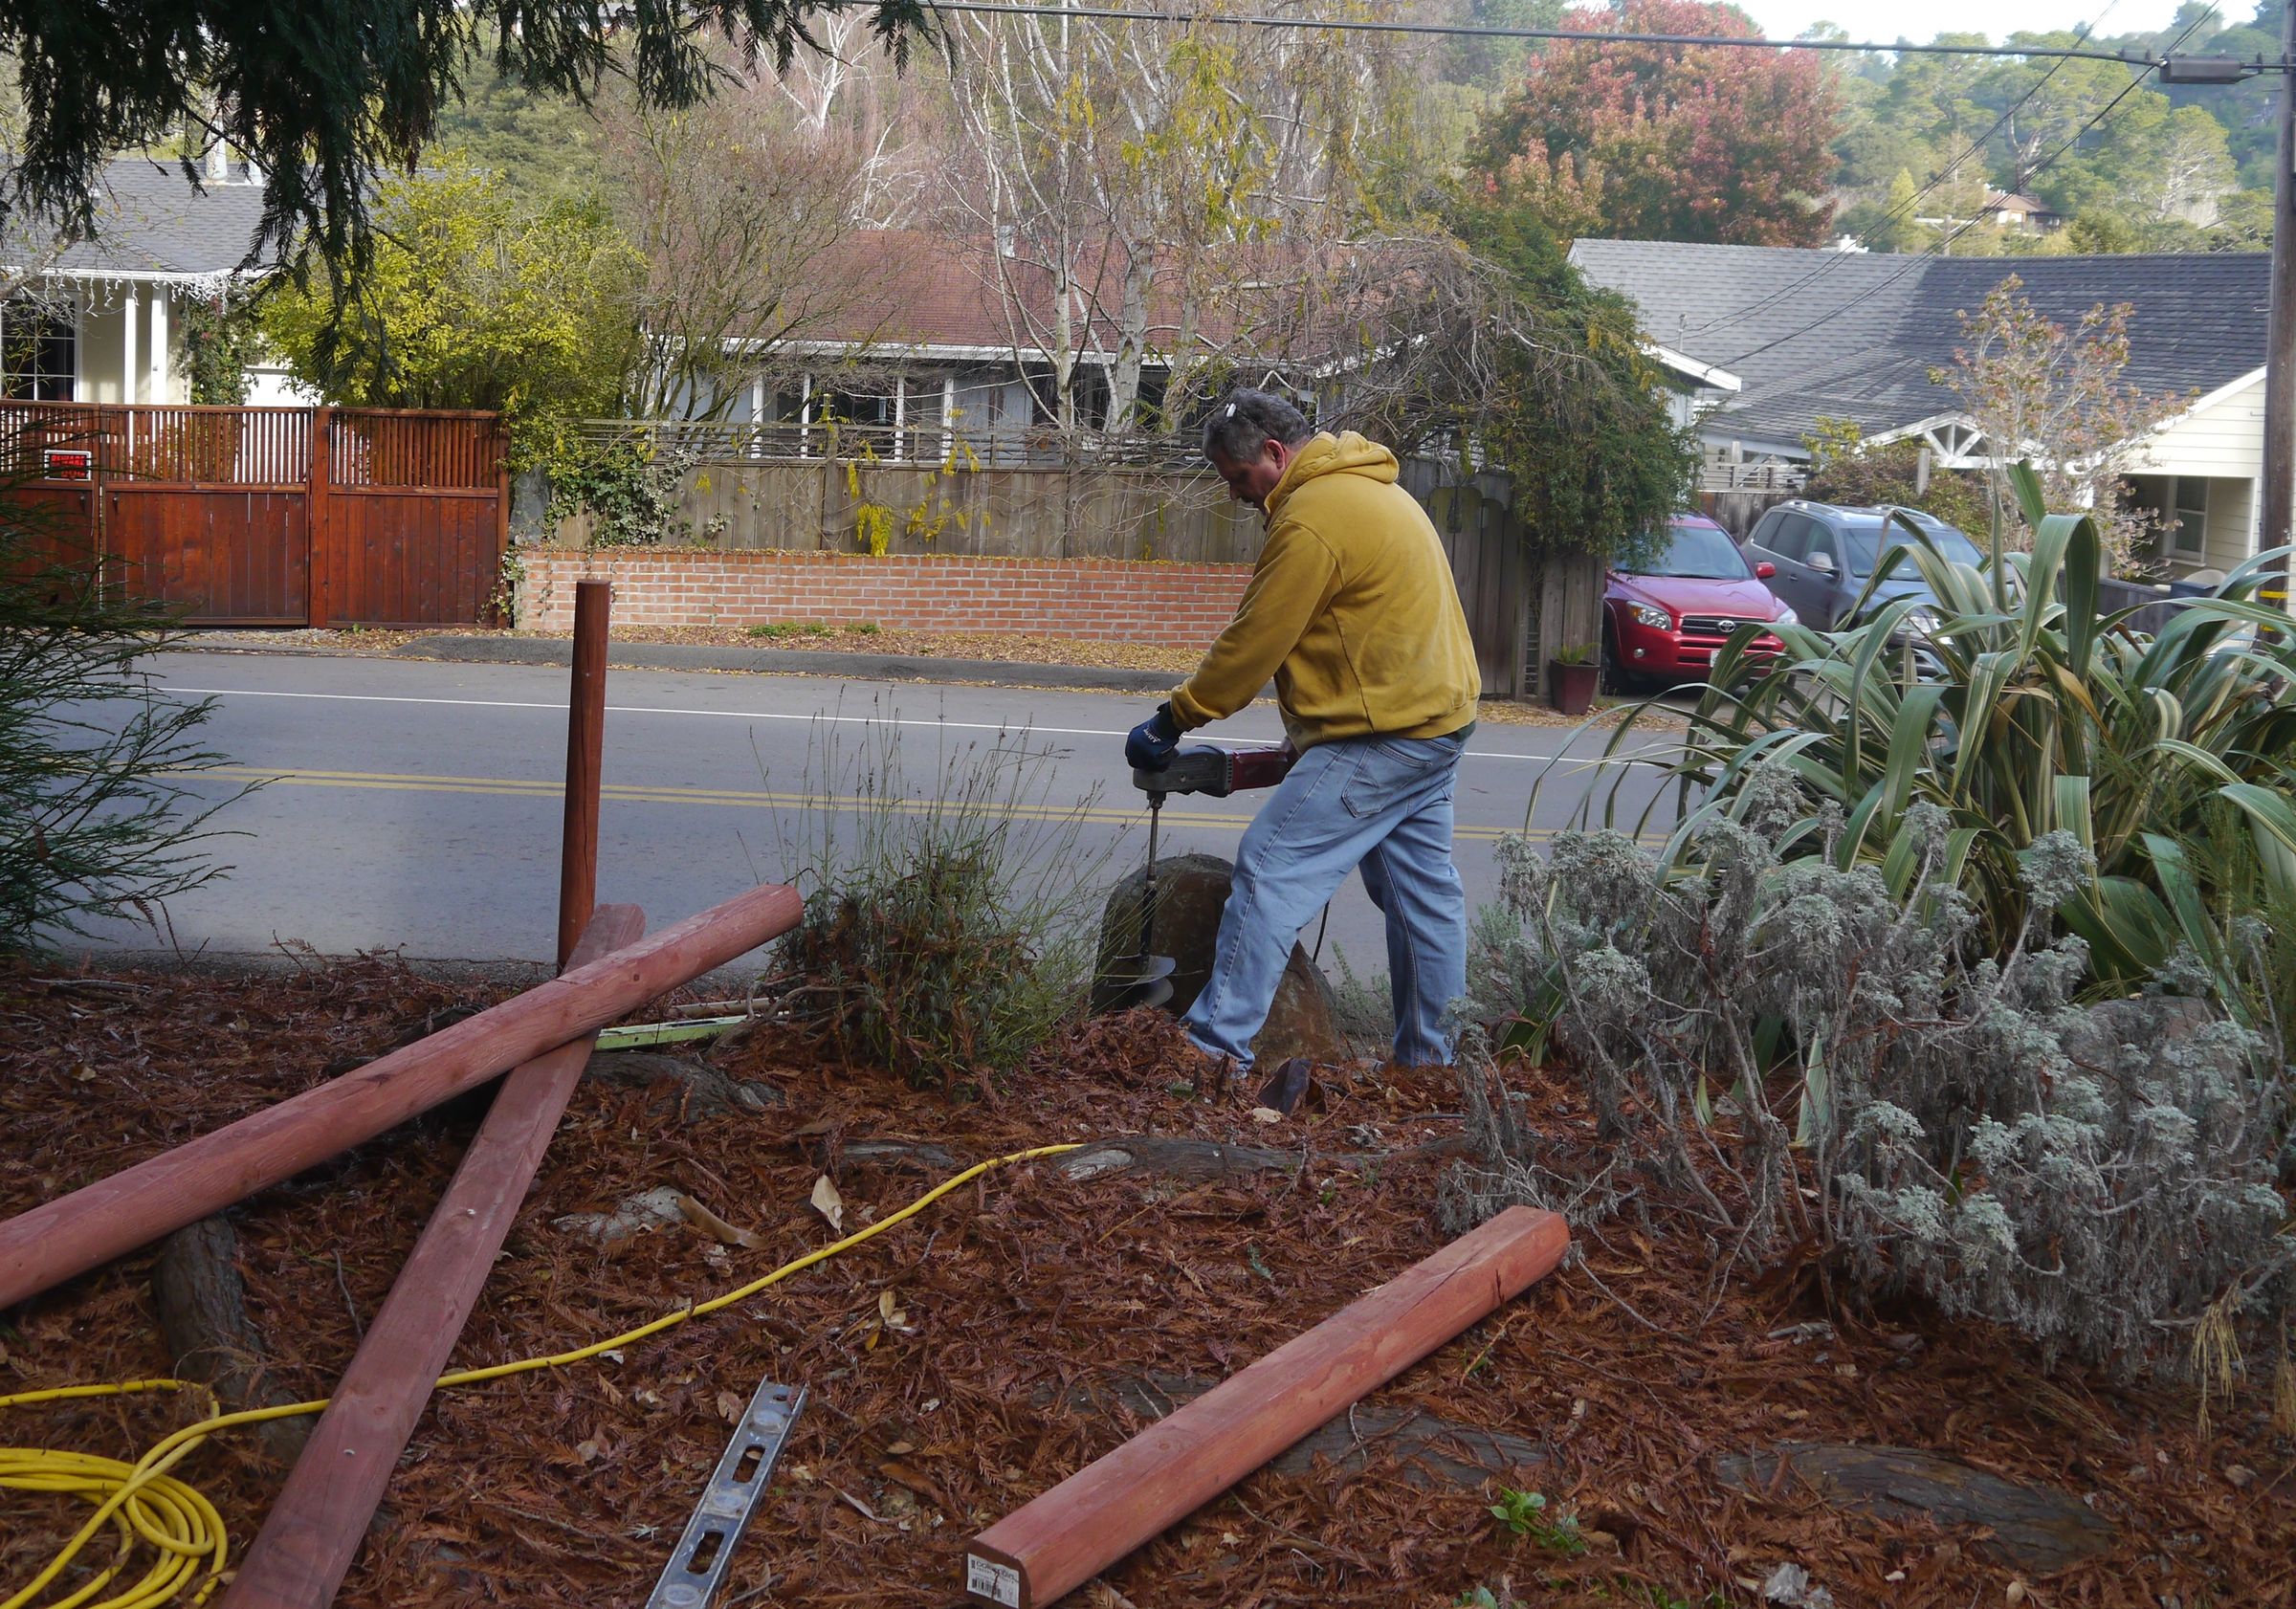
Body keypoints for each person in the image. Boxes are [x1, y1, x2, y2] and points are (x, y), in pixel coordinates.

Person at [1125, 387, 1480, 1077]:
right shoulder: (1370, 490)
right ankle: (1432, 1066)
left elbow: (1255, 643)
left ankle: (1212, 1054)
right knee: (1421, 899)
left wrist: (1174, 717)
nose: (1234, 495)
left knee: (1269, 868)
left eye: (1237, 479)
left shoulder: (1313, 518)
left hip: (1386, 738)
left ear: (1275, 454)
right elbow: (1362, 633)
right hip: (1437, 725)